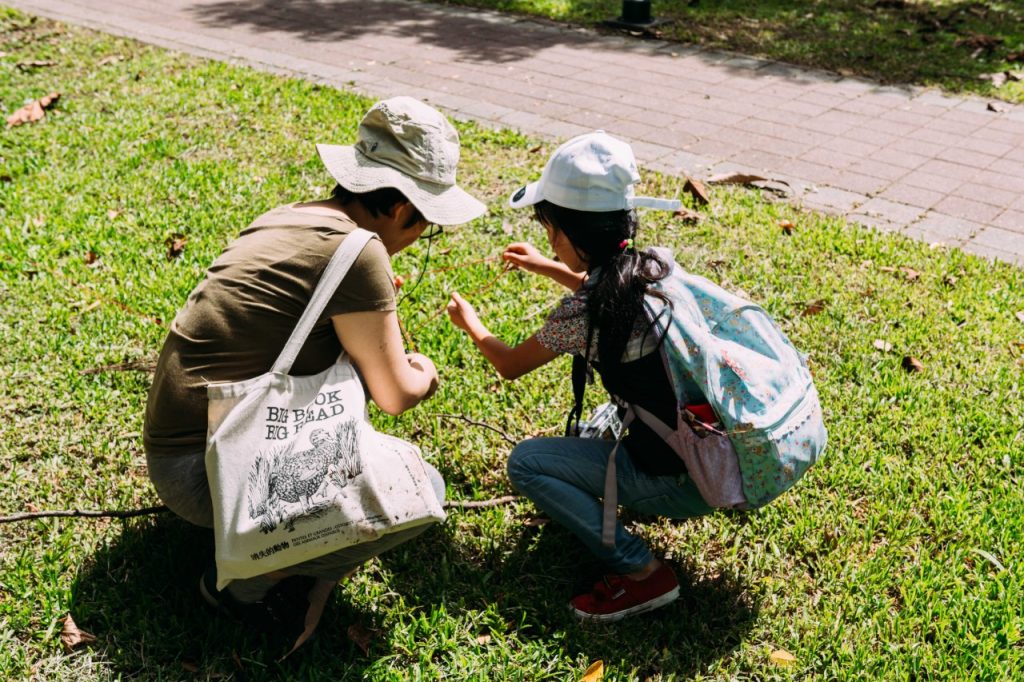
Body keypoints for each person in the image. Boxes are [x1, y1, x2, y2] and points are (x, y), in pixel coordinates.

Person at [144, 96, 486, 638]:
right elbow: (396, 394)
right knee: (426, 491)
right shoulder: (362, 253)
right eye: (428, 225)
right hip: (205, 475)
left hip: (181, 446)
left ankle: (249, 541)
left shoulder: (290, 215)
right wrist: (426, 371)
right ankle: (243, 581)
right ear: (402, 210)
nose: (421, 237)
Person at [446, 131, 716, 622]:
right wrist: (548, 267)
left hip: (684, 480)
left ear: (569, 232)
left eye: (550, 230)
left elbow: (509, 364)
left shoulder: (584, 314)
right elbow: (607, 291)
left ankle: (642, 572)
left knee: (527, 463)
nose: (550, 240)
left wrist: (472, 324)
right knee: (598, 424)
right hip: (715, 456)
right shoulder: (656, 266)